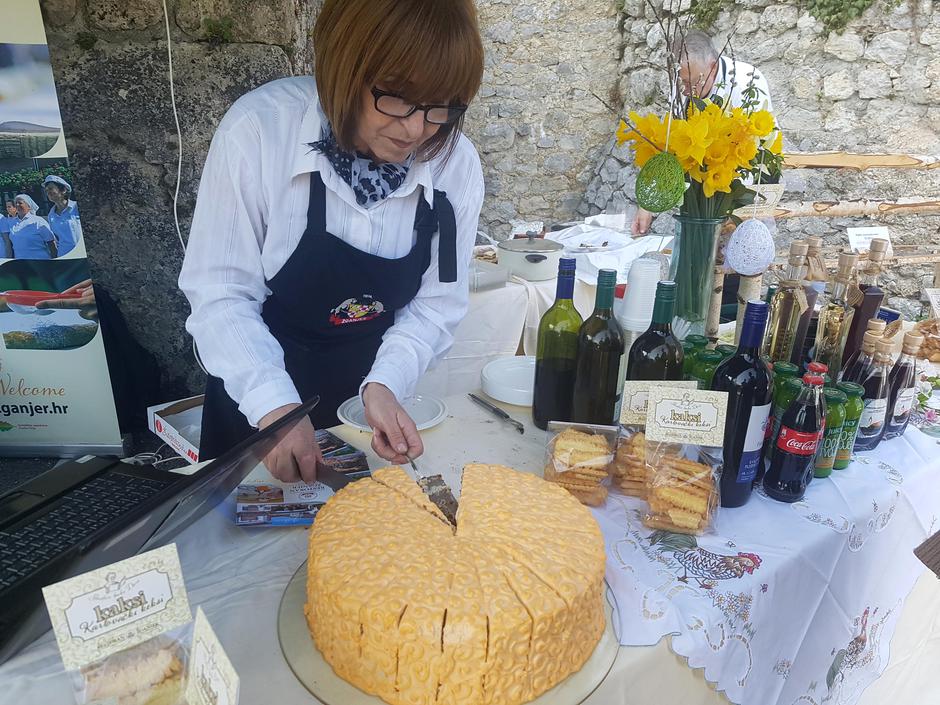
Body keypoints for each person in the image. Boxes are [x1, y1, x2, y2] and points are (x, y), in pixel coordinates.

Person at [179, 0, 485, 483]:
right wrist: (274, 407)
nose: (415, 128)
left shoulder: (456, 167)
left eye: (439, 106)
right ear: (345, 68)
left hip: (365, 403)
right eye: (397, 96)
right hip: (256, 394)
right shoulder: (260, 131)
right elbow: (221, 294)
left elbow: (436, 305)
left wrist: (385, 384)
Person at [632, 30, 774, 235]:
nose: (685, 90)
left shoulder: (747, 82)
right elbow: (670, 149)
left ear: (713, 67)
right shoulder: (684, 84)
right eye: (682, 82)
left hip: (745, 191)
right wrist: (648, 205)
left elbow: (750, 151)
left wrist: (720, 212)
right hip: (702, 196)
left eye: (691, 82)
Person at [43, 174, 83, 256]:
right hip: (65, 255)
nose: (48, 193)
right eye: (46, 191)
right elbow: (57, 238)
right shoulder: (51, 215)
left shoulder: (76, 207)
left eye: (50, 188)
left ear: (63, 190)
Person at [9, 194, 56, 259]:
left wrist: (54, 260)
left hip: (39, 260)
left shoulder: (38, 221)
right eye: (16, 203)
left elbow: (51, 242)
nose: (17, 205)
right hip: (20, 261)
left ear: (29, 206)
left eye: (20, 203)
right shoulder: (12, 222)